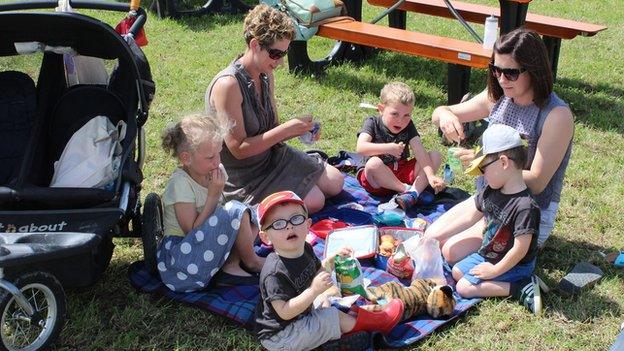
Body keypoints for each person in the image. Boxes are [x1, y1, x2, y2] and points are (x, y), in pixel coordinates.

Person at [426, 28, 574, 262]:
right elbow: (440, 112)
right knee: (430, 236)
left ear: (533, 70)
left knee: (449, 251)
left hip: (523, 215)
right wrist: (445, 116)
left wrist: (482, 162)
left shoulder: (556, 116)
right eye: (496, 69)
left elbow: (537, 182)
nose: (502, 79)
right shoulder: (498, 96)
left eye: (511, 73)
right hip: (487, 199)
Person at [205, 4, 344, 214]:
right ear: (254, 44)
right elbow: (238, 149)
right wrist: (287, 130)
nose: (279, 63)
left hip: (272, 157)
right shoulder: (228, 85)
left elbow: (273, 128)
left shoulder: (265, 74)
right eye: (275, 54)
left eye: (284, 54)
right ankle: (251, 212)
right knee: (315, 200)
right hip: (245, 176)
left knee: (336, 182)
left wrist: (301, 130)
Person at [254, 191, 405, 351]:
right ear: (266, 238)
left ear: (308, 225)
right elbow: (284, 312)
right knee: (331, 316)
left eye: (296, 219)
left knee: (325, 301)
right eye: (278, 224)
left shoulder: (305, 249)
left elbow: (317, 272)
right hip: (281, 337)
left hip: (302, 315)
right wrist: (313, 291)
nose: (289, 226)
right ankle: (376, 324)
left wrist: (331, 260)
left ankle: (333, 341)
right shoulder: (274, 273)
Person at [157, 112, 265, 292]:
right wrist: (213, 195)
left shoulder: (210, 172)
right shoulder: (180, 184)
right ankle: (250, 262)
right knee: (234, 210)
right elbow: (191, 231)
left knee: (248, 213)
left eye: (219, 154)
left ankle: (230, 265)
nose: (217, 162)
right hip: (183, 261)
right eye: (210, 157)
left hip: (203, 247)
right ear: (186, 158)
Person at [450, 124, 543, 315]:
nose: (482, 176)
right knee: (457, 272)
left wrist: (494, 272)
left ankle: (520, 286)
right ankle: (506, 280)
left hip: (515, 264)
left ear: (503, 162)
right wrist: (433, 236)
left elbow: (520, 250)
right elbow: (470, 218)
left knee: (463, 288)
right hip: (489, 254)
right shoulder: (492, 190)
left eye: (484, 169)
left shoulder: (525, 206)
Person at [355, 82, 445, 208]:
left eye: (406, 115)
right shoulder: (372, 122)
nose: (400, 120)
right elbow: (360, 148)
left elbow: (419, 151)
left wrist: (430, 175)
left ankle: (413, 193)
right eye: (395, 114)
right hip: (377, 179)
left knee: (435, 155)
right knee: (373, 163)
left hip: (401, 171)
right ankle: (408, 191)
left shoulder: (408, 125)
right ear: (381, 109)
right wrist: (388, 148)